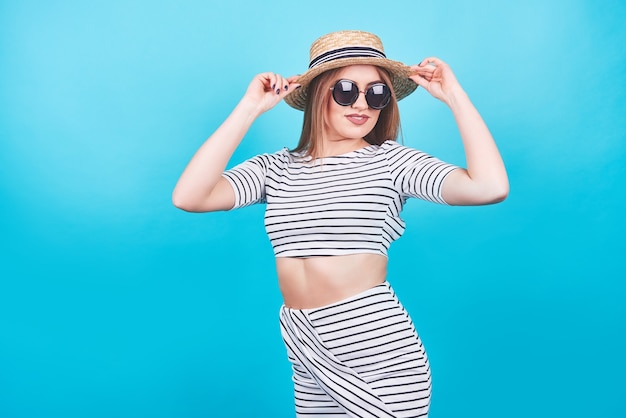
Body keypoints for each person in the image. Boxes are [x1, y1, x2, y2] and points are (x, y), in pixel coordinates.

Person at [172, 30, 508, 418]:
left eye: (377, 94)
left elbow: (489, 187)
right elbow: (189, 197)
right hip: (305, 342)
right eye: (346, 90)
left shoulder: (391, 163)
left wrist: (455, 98)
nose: (362, 104)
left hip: (377, 348)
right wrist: (248, 109)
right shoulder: (275, 168)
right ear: (318, 94)